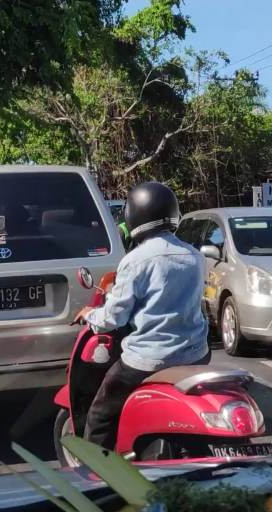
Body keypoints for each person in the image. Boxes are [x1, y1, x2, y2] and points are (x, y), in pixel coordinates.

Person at [74, 182, 210, 450]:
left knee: (100, 414)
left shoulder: (135, 261)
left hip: (149, 358)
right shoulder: (194, 256)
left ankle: (95, 479)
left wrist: (91, 315)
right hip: (196, 354)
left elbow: (114, 318)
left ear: (134, 215)